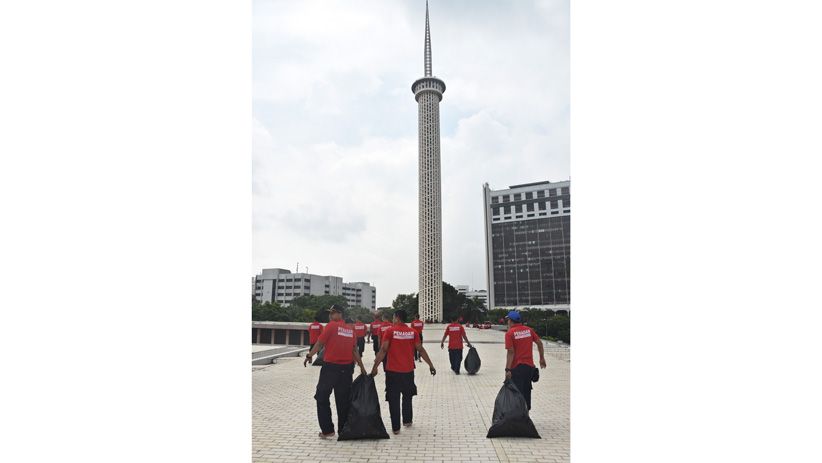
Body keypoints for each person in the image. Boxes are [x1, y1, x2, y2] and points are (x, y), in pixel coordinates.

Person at [303, 304, 367, 439]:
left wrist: (309, 355)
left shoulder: (331, 326)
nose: (330, 315)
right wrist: (362, 367)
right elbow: (354, 350)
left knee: (321, 397)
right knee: (343, 401)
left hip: (330, 368)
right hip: (347, 369)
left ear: (340, 314)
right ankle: (343, 430)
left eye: (333, 313)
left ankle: (327, 430)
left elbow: (319, 343)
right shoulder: (350, 330)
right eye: (330, 313)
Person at [370, 309, 436, 434]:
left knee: (393, 398)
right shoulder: (413, 332)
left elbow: (383, 350)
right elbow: (420, 349)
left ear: (397, 318)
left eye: (394, 317)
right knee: (407, 396)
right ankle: (407, 420)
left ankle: (396, 428)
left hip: (392, 371)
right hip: (408, 371)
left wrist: (375, 367)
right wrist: (431, 365)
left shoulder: (390, 331)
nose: (393, 320)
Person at [504, 311, 547, 410]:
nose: (507, 322)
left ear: (510, 321)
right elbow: (539, 343)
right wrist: (541, 358)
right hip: (529, 368)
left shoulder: (509, 333)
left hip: (516, 368)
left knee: (516, 392)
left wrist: (507, 369)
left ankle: (519, 414)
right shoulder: (529, 330)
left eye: (508, 320)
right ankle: (526, 413)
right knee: (527, 391)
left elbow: (511, 352)